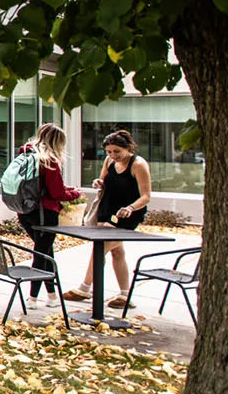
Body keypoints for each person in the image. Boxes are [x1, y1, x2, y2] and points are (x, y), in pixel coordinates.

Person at [64, 129, 152, 308]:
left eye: (117, 152)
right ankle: (125, 295)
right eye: (109, 152)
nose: (113, 155)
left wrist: (130, 208)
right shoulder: (109, 161)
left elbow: (146, 196)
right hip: (107, 209)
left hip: (127, 213)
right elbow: (104, 180)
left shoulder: (138, 165)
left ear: (128, 148)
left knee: (101, 246)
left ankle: (84, 288)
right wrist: (98, 182)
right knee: (116, 251)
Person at [15, 123, 81, 307]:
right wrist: (75, 193)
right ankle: (32, 299)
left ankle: (52, 296)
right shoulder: (49, 160)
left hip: (25, 210)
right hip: (45, 213)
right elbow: (57, 193)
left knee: (46, 252)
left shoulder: (25, 152)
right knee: (41, 253)